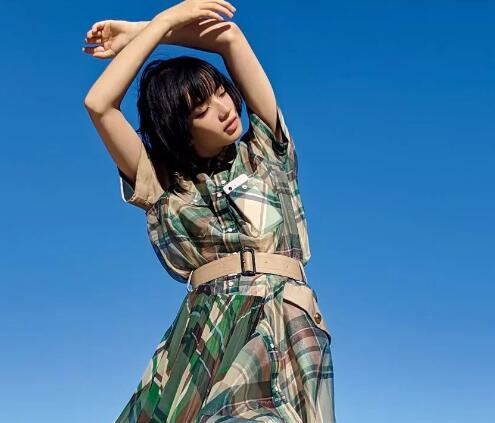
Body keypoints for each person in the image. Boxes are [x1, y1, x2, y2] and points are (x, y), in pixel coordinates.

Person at [83, 1, 336, 421]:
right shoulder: (163, 183)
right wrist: (166, 21)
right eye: (201, 110)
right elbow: (99, 105)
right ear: (180, 130)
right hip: (204, 332)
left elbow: (229, 38)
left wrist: (140, 31)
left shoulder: (266, 151)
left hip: (283, 318)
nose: (224, 110)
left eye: (220, 92)